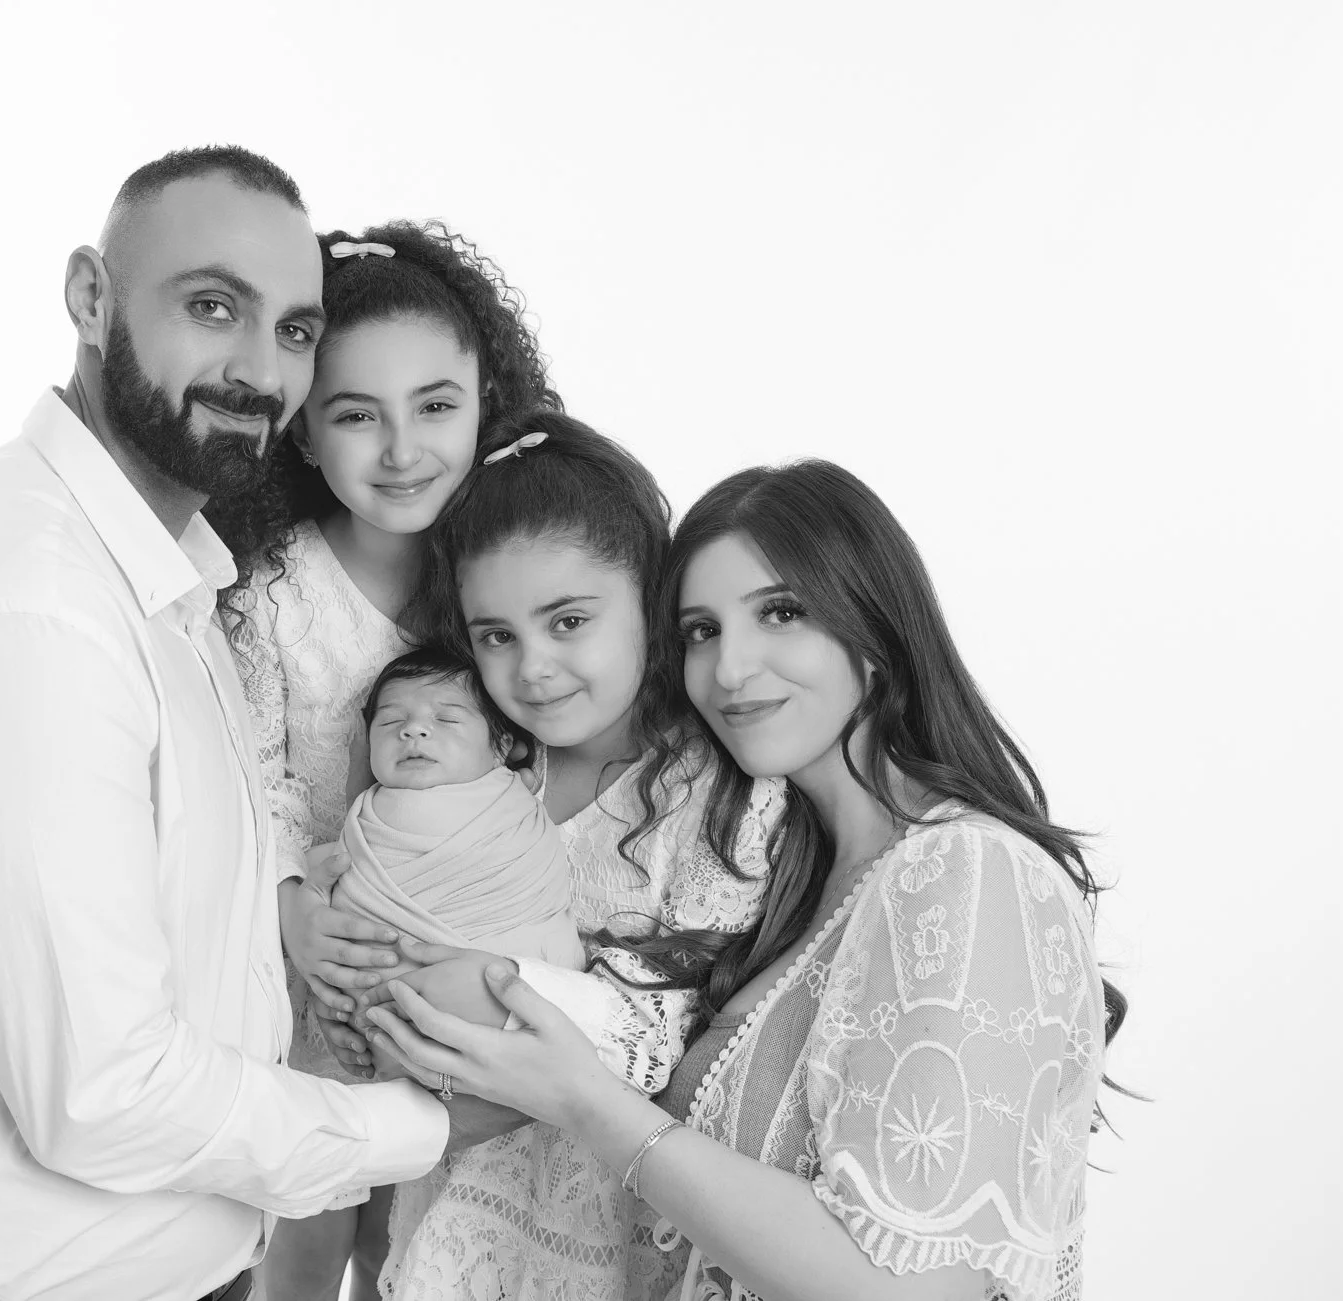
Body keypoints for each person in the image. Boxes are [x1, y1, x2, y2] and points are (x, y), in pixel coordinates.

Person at [0, 146, 507, 1301]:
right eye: (211, 306)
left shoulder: (159, 580)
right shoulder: (24, 604)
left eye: (290, 331)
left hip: (179, 1259)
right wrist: (428, 1124)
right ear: (90, 296)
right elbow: (102, 1089)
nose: (256, 368)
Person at [363, 460, 1123, 1301]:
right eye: (701, 630)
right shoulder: (790, 879)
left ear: (874, 623)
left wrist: (584, 1098)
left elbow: (918, 1288)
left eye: (781, 613)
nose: (729, 668)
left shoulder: (965, 870)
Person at [310, 411, 779, 1300]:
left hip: (606, 1238)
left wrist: (488, 980)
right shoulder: (478, 765)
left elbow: (692, 1037)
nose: (532, 667)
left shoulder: (710, 791)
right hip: (440, 1218)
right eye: (497, 635)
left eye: (568, 621)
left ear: (650, 597)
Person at [201, 220, 561, 1301]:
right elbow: (237, 774)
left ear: (483, 406)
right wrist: (291, 904)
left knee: (415, 1234)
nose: (401, 451)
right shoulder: (269, 594)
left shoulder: (503, 582)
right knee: (303, 1217)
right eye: (356, 415)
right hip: (315, 961)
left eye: (435, 407)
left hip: (469, 967)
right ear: (302, 431)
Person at [334, 647, 582, 976]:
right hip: (385, 979)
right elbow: (345, 883)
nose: (412, 731)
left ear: (501, 747)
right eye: (392, 720)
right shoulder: (365, 815)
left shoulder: (514, 807)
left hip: (513, 977)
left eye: (447, 719)